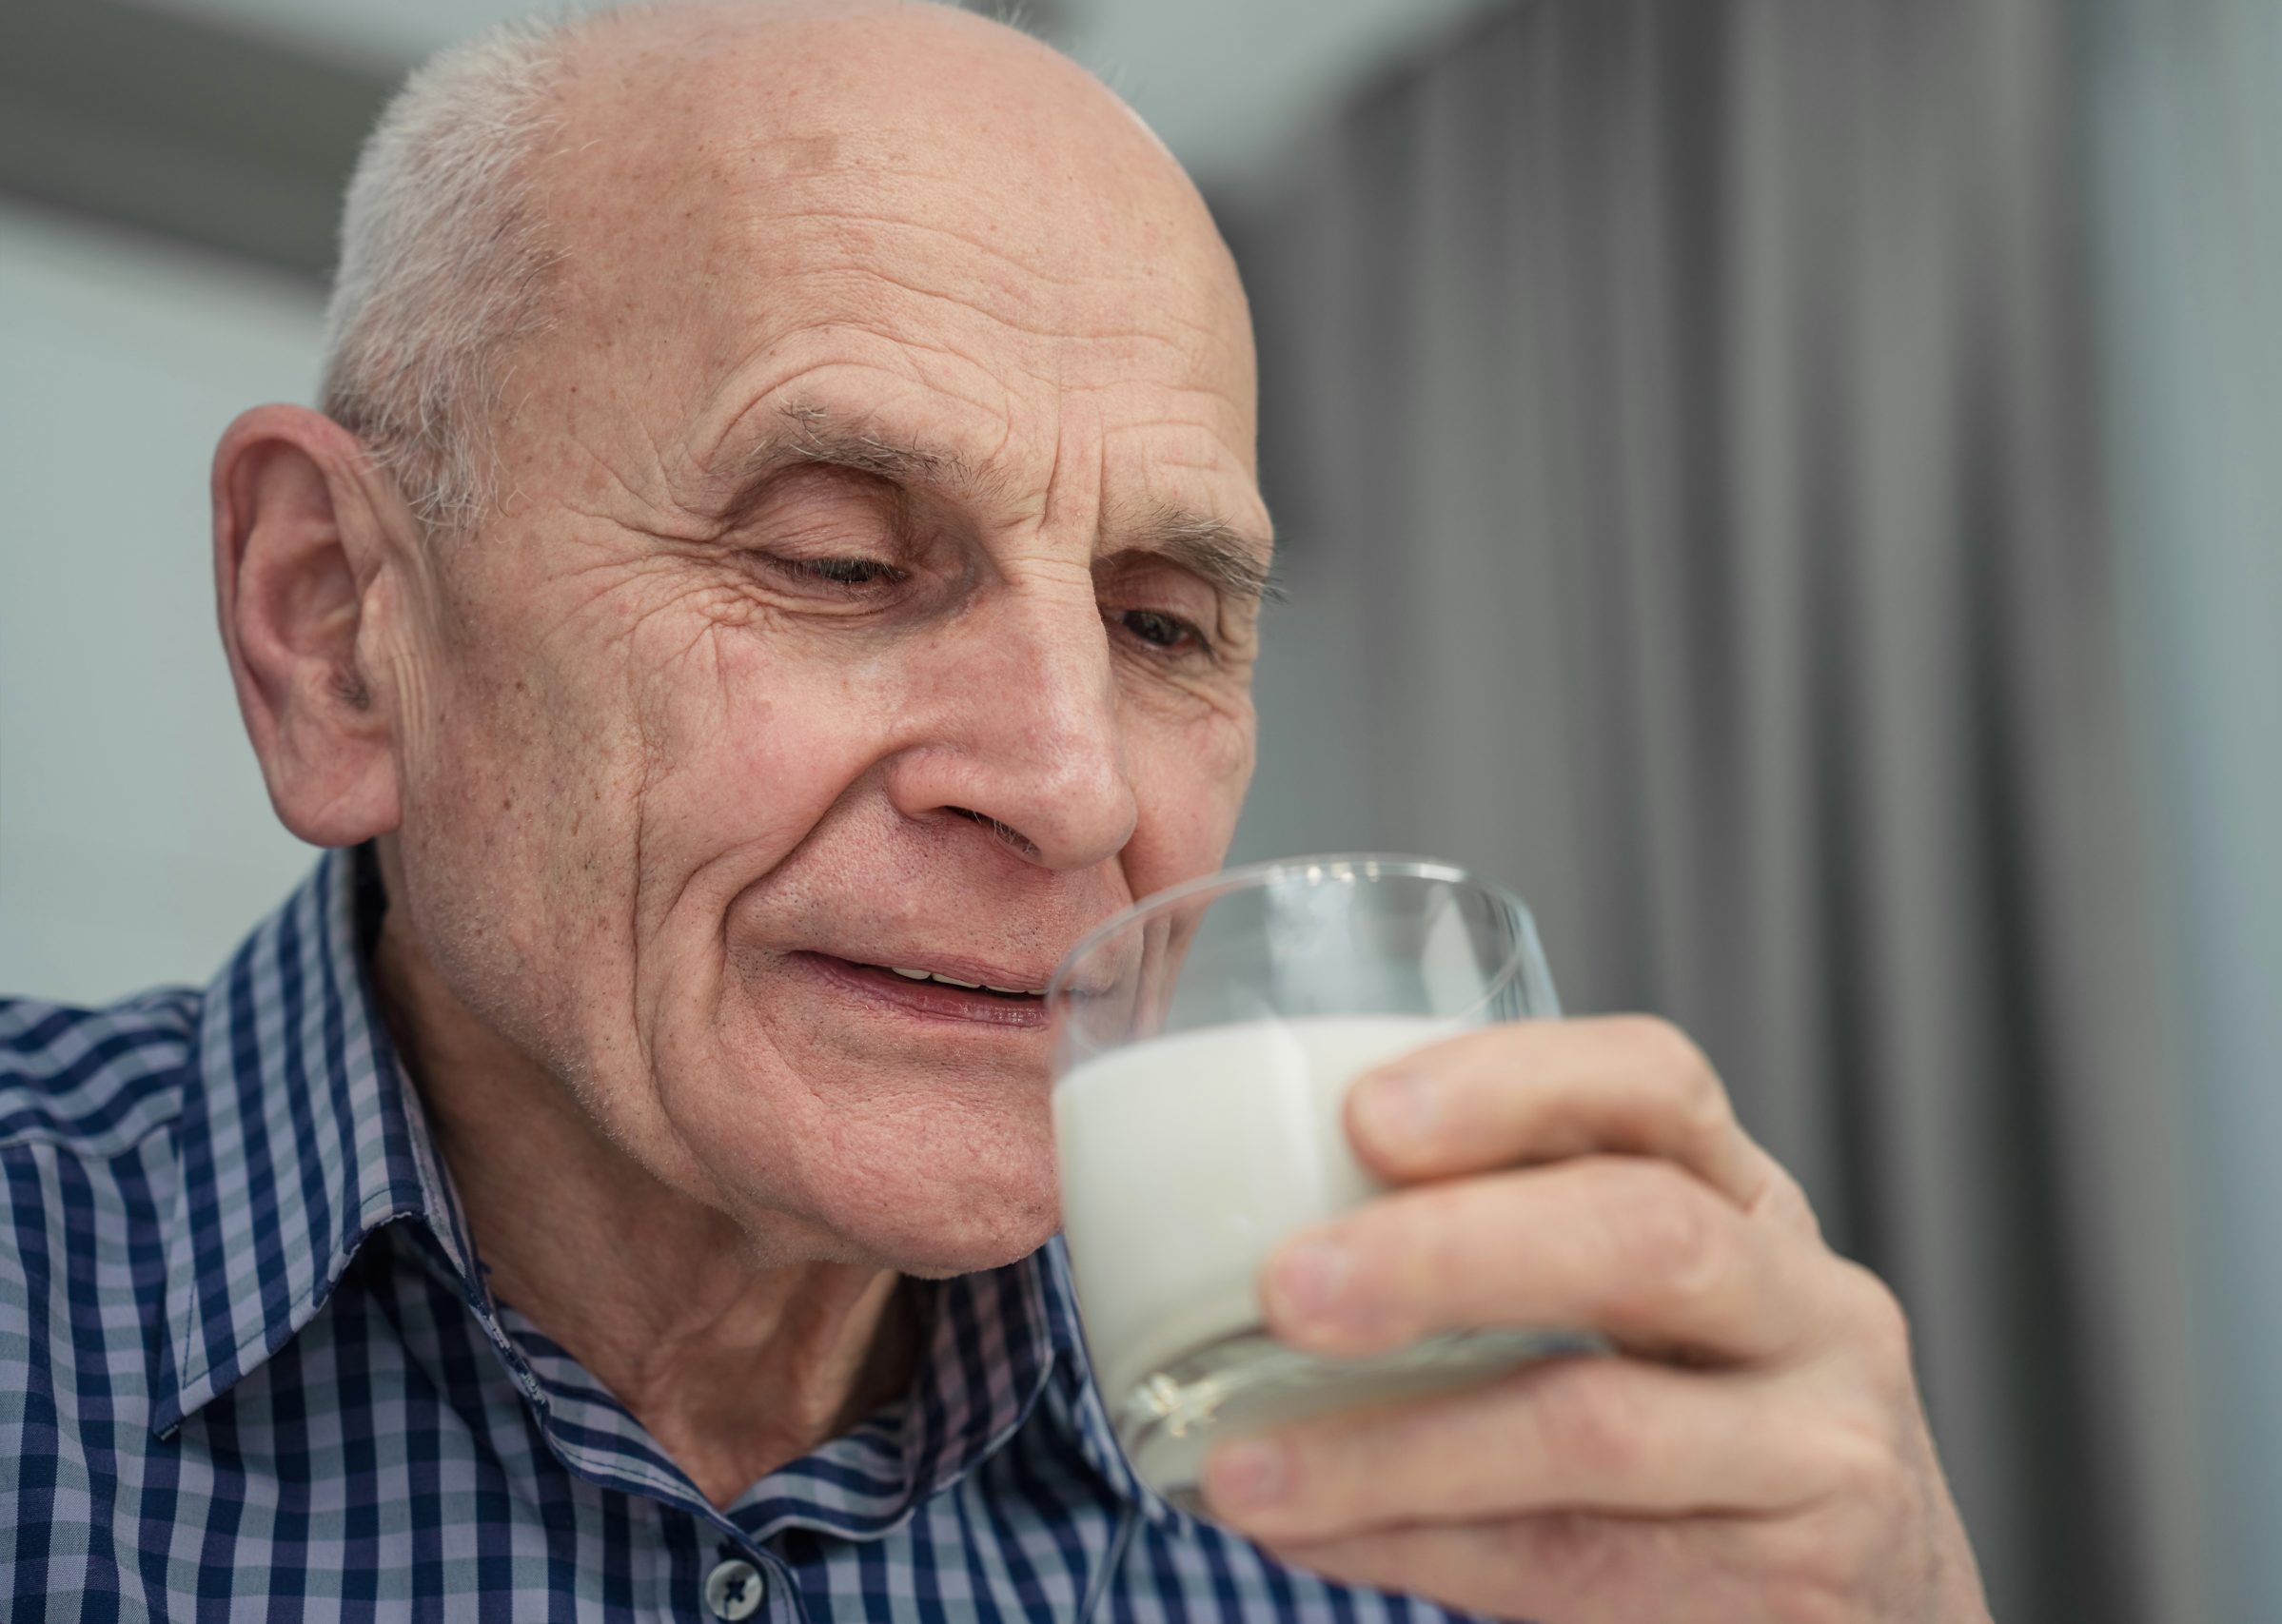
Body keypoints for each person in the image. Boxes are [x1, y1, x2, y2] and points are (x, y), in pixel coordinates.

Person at [0, 2, 1989, 1617]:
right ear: (337, 630)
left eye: (1159, 620)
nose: (1070, 782)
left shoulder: (1437, 1487)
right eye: (839, 563)